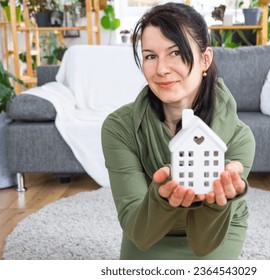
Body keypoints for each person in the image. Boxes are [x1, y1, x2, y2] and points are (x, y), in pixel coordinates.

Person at [101, 2, 255, 260]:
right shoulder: (120, 128)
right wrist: (162, 199)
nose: (161, 69)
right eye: (150, 56)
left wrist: (218, 203)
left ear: (205, 59)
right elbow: (139, 232)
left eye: (174, 52)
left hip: (217, 231)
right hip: (148, 229)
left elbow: (204, 244)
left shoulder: (239, 139)